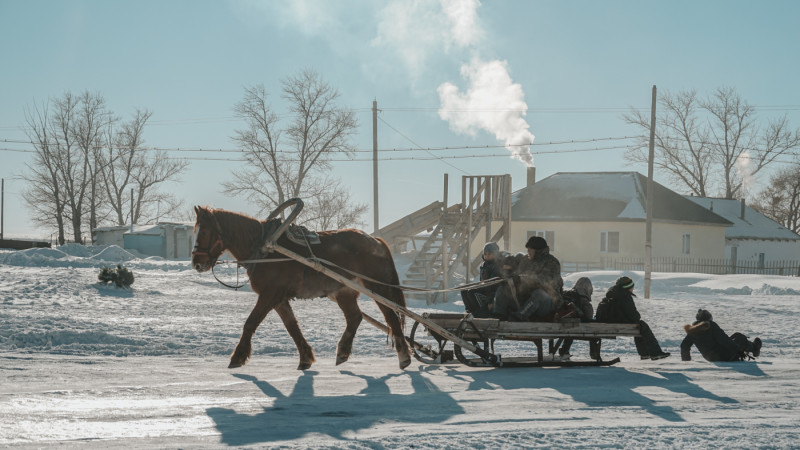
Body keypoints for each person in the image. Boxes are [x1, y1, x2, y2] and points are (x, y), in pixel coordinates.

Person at [595, 276, 670, 360]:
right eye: (632, 287)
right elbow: (633, 316)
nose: (633, 289)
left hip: (609, 323)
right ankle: (655, 353)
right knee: (642, 325)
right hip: (618, 324)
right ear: (627, 287)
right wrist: (637, 316)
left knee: (639, 325)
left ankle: (645, 354)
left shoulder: (611, 294)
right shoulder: (625, 296)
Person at [492, 236, 564, 321]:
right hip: (526, 299)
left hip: (547, 302)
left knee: (539, 294)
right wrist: (508, 277)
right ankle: (498, 317)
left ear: (538, 251)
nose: (528, 252)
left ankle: (519, 317)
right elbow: (517, 272)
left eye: (530, 250)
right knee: (502, 290)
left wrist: (522, 279)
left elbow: (547, 282)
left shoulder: (552, 262)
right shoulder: (526, 260)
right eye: (528, 249)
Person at [680, 309, 762, 362]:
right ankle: (755, 348)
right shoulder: (711, 326)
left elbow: (684, 346)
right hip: (724, 356)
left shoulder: (692, 330)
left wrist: (686, 362)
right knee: (740, 337)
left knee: (735, 337)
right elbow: (724, 340)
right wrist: (738, 351)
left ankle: (752, 348)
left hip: (711, 358)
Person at [461, 242, 503, 318]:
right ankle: (470, 311)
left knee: (471, 292)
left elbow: (494, 284)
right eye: (485, 254)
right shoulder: (484, 265)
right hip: (484, 288)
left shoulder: (497, 266)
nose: (486, 256)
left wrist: (491, 300)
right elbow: (482, 280)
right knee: (464, 290)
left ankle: (479, 312)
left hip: (491, 293)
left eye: (489, 254)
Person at [558, 277, 596, 358]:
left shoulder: (567, 293)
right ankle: (594, 354)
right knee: (593, 329)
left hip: (559, 322)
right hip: (573, 326)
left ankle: (565, 350)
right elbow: (589, 316)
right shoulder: (583, 299)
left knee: (571, 327)